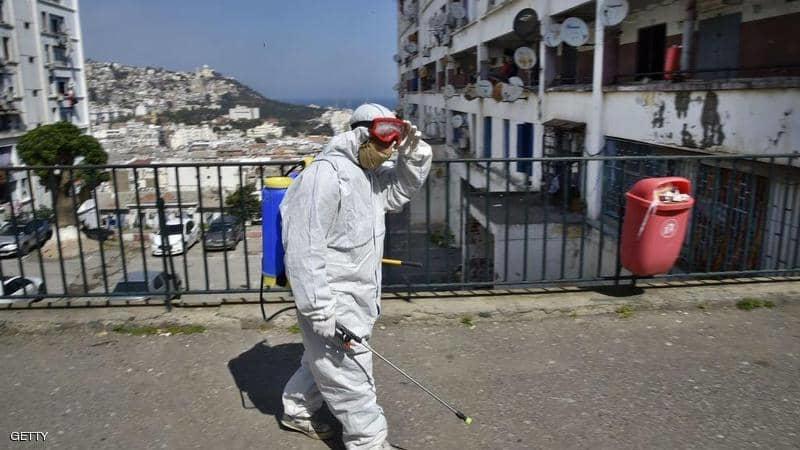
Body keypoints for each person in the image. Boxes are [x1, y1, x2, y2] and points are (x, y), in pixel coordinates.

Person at [279, 103, 432, 449]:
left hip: (359, 298)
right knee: (354, 378)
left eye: (394, 143)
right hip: (333, 301)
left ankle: (298, 410)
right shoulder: (324, 177)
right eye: (384, 141)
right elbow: (303, 251)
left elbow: (401, 190)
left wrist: (415, 155)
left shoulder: (369, 177)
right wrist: (320, 310)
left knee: (324, 362)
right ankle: (369, 442)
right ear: (361, 135)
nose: (388, 150)